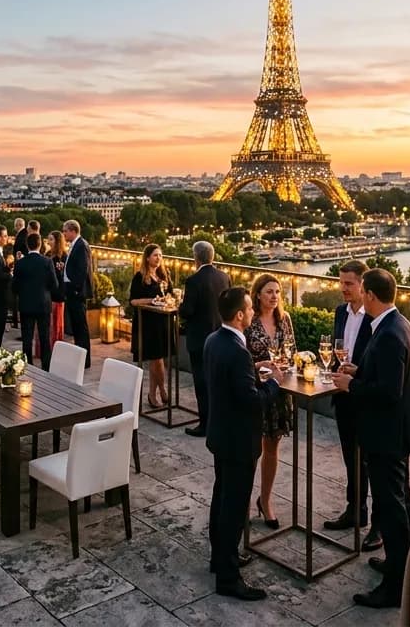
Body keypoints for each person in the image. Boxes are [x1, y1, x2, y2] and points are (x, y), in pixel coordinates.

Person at [334, 268, 410, 609]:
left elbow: (387, 393)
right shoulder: (399, 325)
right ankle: (403, 566)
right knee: (403, 502)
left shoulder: (387, 334)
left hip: (386, 435)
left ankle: (395, 586)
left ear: (369, 294)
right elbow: (388, 377)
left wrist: (351, 385)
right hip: (399, 431)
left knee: (392, 507)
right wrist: (360, 371)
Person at [205, 287, 281, 602]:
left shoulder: (214, 340)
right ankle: (228, 578)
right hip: (238, 439)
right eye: (249, 309)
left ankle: (220, 558)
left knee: (221, 498)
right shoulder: (237, 351)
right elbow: (250, 402)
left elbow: (233, 387)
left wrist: (255, 377)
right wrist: (273, 385)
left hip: (220, 434)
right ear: (239, 315)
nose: (252, 313)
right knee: (234, 507)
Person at [326, 259, 381, 551]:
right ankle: (355, 511)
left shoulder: (377, 318)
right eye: (341, 282)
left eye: (349, 283)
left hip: (366, 397)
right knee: (352, 459)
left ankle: (379, 526)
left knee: (373, 463)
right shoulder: (339, 312)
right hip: (344, 396)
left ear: (363, 285)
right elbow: (337, 352)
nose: (343, 288)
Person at [246, 273, 295, 529]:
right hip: (255, 390)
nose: (274, 296)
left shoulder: (284, 319)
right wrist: (259, 368)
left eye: (277, 292)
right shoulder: (248, 321)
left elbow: (292, 352)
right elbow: (240, 362)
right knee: (251, 450)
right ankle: (243, 501)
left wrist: (287, 366)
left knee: (272, 449)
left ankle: (265, 500)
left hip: (279, 392)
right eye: (269, 292)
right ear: (258, 295)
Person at [179, 240, 229, 438]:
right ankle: (219, 421)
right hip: (220, 336)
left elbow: (188, 311)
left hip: (200, 339)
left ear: (196, 258)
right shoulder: (225, 277)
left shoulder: (193, 281)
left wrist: (180, 307)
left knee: (202, 382)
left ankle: (205, 424)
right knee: (217, 382)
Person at [129, 244, 174, 409]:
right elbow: (133, 301)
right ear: (147, 258)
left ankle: (152, 393)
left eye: (160, 255)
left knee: (158, 358)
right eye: (155, 255)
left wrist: (167, 300)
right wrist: (151, 300)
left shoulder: (164, 274)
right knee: (157, 358)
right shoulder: (139, 277)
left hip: (162, 320)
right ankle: (161, 390)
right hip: (147, 322)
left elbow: (169, 294)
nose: (158, 258)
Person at [12, 232, 60, 369]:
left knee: (27, 338)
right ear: (40, 245)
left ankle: (27, 366)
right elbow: (54, 285)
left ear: (27, 245)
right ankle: (46, 366)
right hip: (43, 304)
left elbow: (14, 286)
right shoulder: (47, 262)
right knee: (45, 338)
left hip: (26, 304)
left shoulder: (21, 263)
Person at [61, 220, 92, 366]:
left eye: (65, 231)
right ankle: (79, 356)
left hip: (76, 292)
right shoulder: (75, 245)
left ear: (73, 230)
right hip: (72, 290)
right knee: (76, 326)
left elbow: (82, 270)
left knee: (81, 327)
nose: (64, 233)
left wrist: (74, 288)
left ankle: (84, 360)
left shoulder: (81, 246)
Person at [45, 231, 67, 358]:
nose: (49, 242)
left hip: (59, 294)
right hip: (48, 294)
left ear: (58, 241)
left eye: (51, 239)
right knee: (49, 323)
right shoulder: (48, 255)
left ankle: (57, 349)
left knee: (57, 323)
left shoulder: (64, 256)